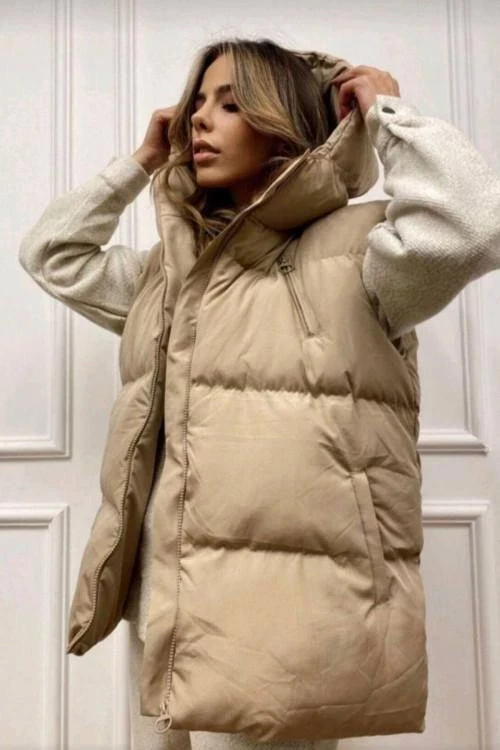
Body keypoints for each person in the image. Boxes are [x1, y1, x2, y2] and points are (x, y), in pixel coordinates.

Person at [18, 37, 500, 750]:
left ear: (282, 122)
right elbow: (52, 254)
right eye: (196, 104)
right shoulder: (171, 274)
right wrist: (141, 162)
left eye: (231, 103)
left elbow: (470, 228)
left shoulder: (363, 254)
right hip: (163, 608)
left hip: (277, 627)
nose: (198, 120)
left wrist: (388, 114)